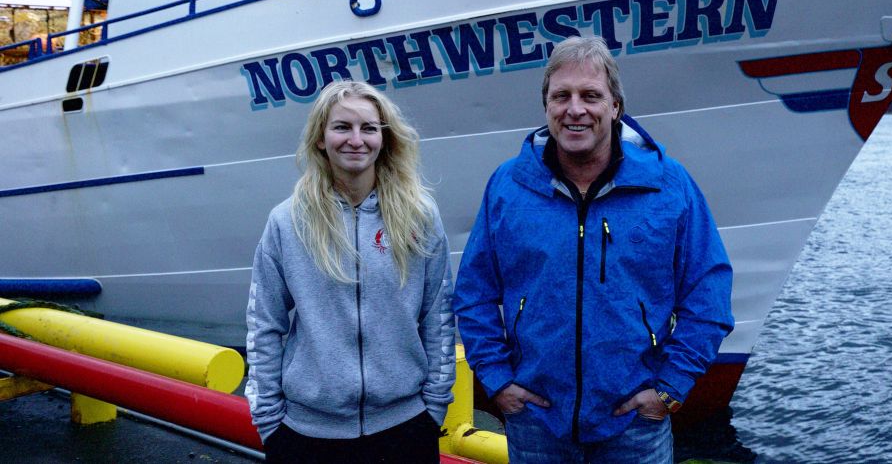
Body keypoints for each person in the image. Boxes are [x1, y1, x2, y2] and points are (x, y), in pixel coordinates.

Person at [453, 36, 734, 463]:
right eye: (561, 96)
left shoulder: (669, 186)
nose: (575, 109)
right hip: (536, 422)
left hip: (635, 426)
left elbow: (708, 291)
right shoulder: (508, 187)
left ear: (615, 106)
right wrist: (497, 380)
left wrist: (670, 388)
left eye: (591, 96)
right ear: (546, 106)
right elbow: (474, 292)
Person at [245, 81, 455, 463]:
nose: (356, 140)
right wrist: (268, 420)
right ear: (321, 138)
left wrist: (434, 406)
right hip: (307, 435)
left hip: (405, 428)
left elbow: (438, 314)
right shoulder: (288, 222)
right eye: (342, 127)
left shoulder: (419, 216)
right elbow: (264, 324)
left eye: (369, 128)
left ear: (384, 138)